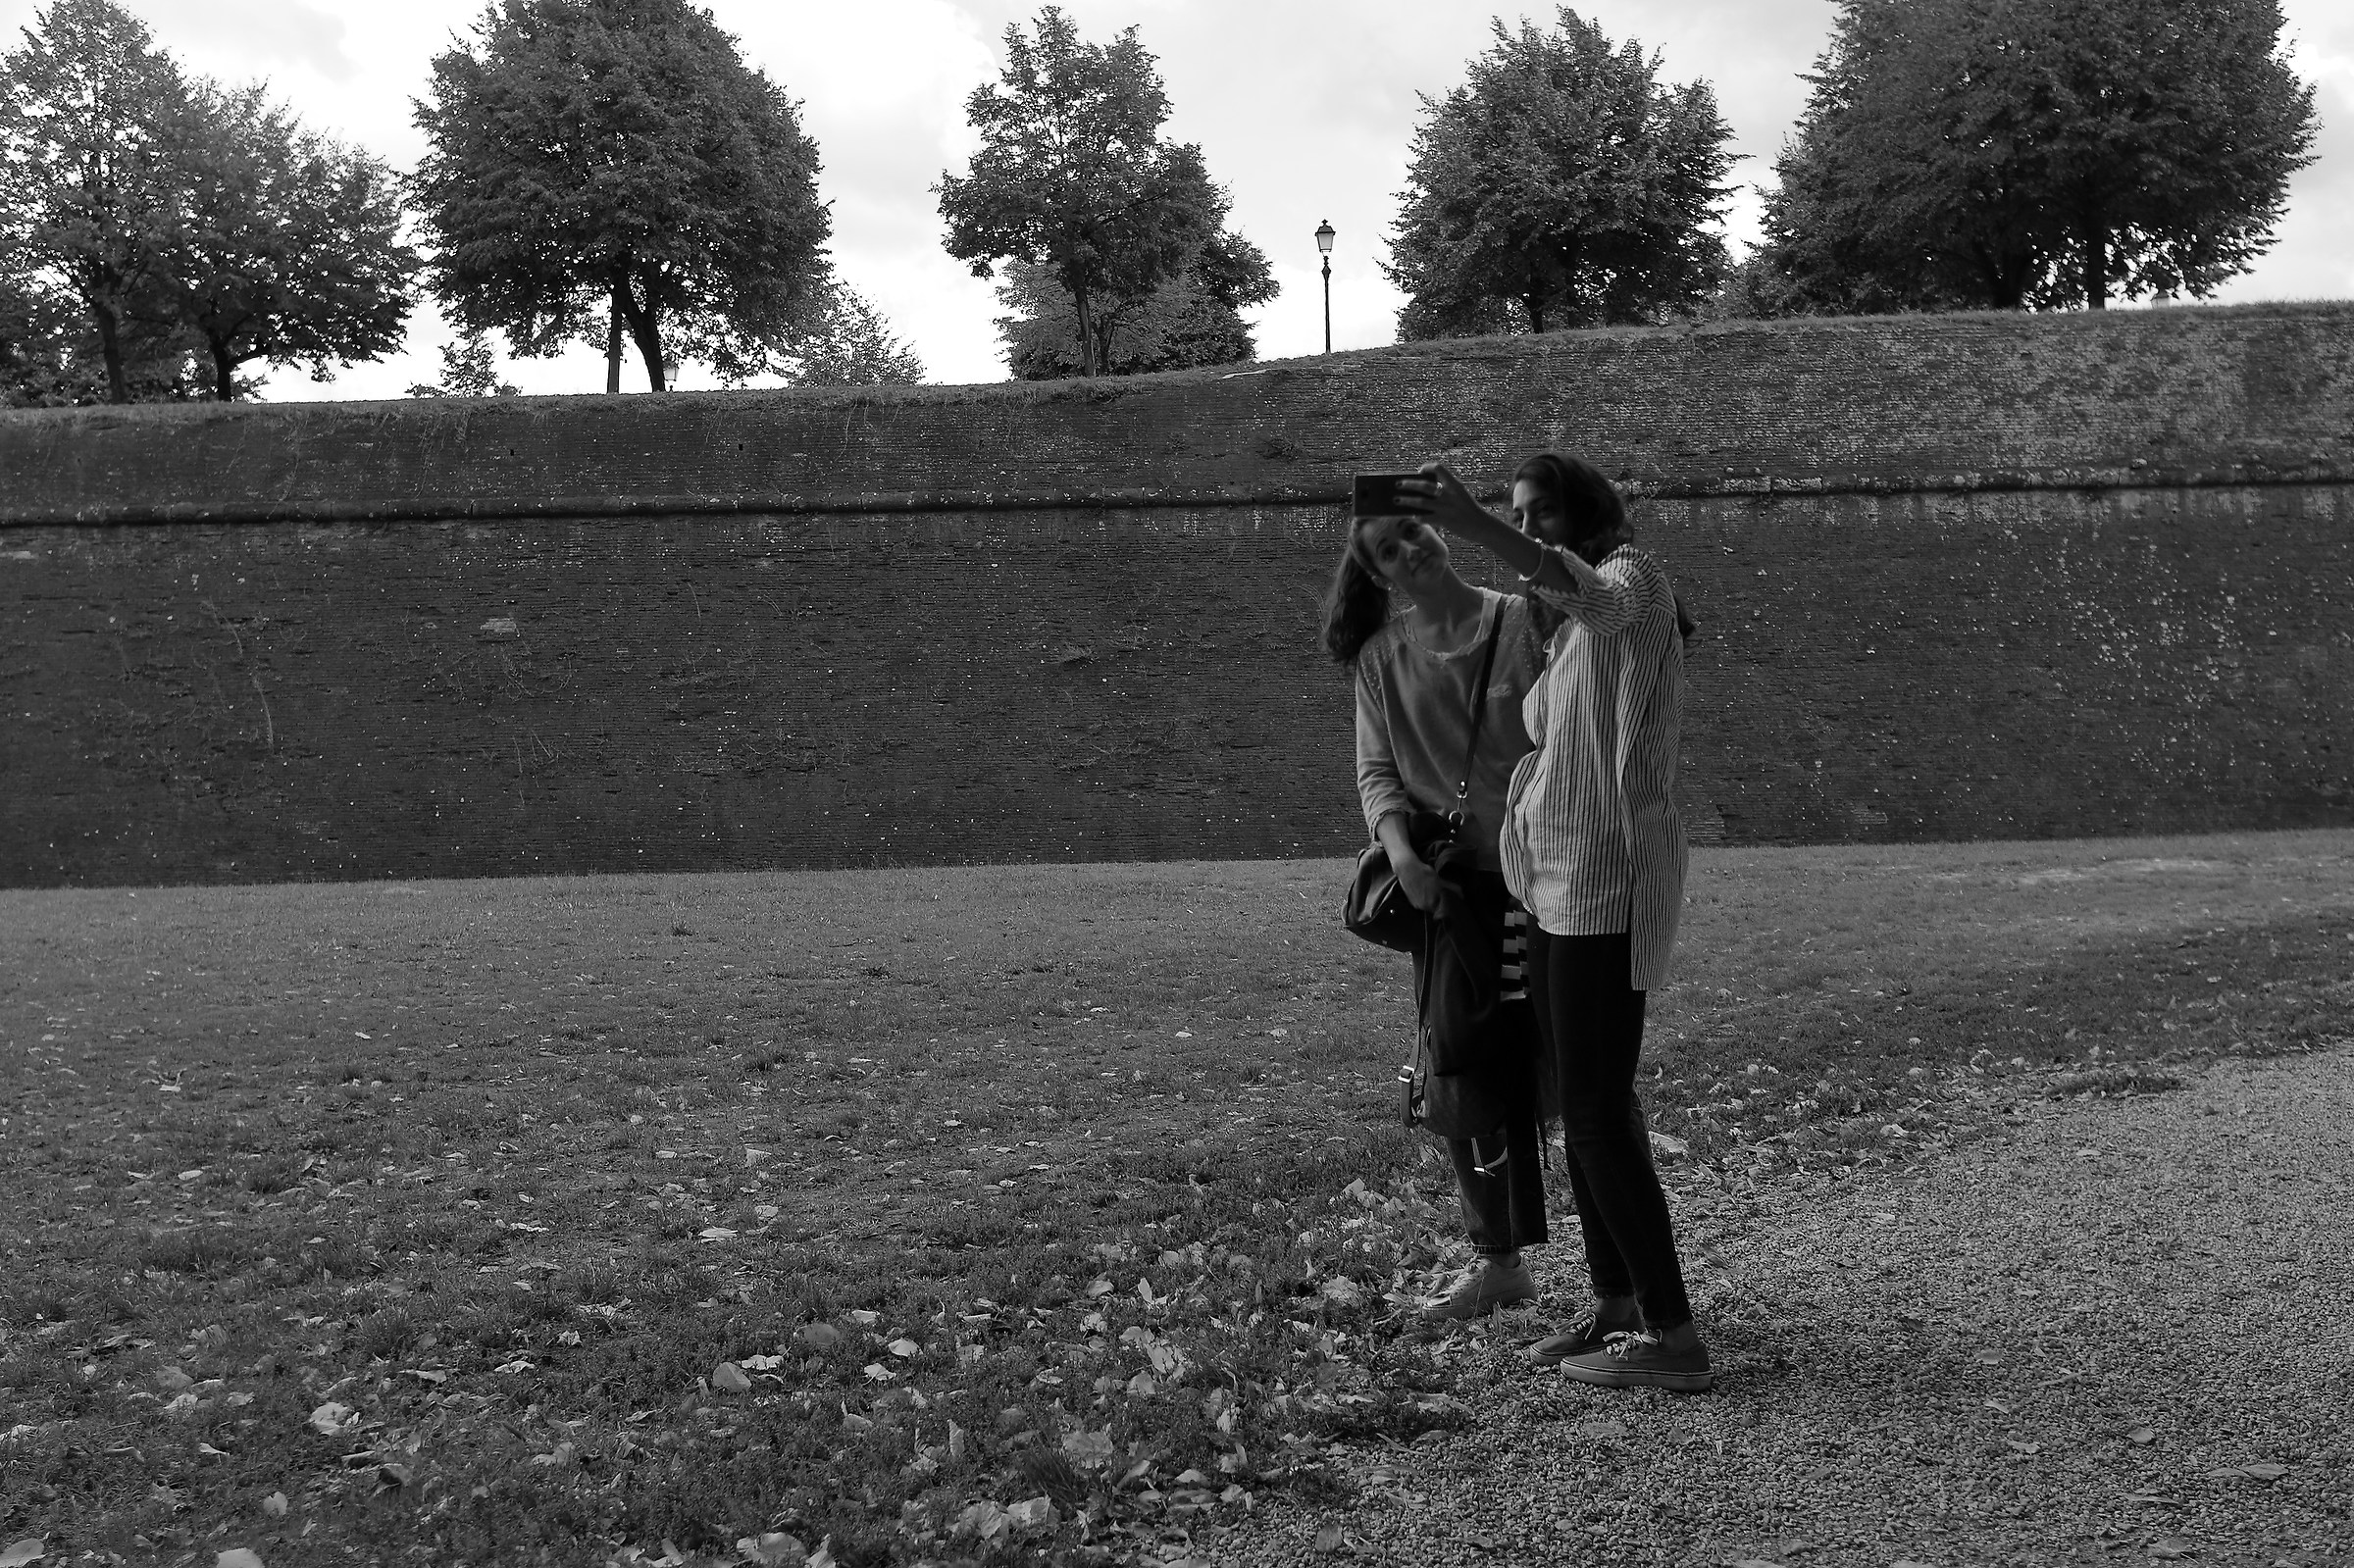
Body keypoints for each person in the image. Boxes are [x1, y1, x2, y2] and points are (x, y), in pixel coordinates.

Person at [1399, 452, 1712, 1391]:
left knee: (1597, 1111)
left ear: (1584, 511)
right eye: (1518, 515)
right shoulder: (1575, 630)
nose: (1531, 530)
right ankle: (1615, 1302)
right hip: (1556, 884)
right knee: (1582, 1104)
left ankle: (1675, 1337)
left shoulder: (1633, 582)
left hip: (1606, 882)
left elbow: (1579, 585)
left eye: (1541, 514)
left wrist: (1464, 518)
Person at [1322, 504, 1555, 1323]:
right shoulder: (1383, 659)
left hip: (1550, 877)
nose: (1408, 552)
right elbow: (1376, 773)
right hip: (1452, 891)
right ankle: (1500, 1262)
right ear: (1379, 576)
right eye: (1388, 551)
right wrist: (1406, 857)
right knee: (1454, 1069)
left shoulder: (1525, 622)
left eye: (1412, 533)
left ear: (1439, 532)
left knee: (1565, 1066)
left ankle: (1619, 1269)